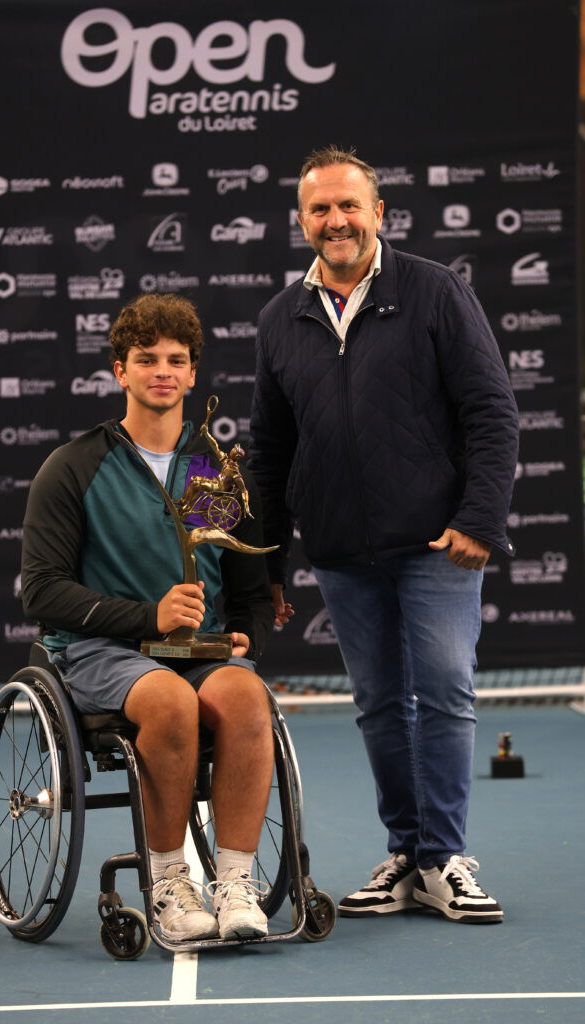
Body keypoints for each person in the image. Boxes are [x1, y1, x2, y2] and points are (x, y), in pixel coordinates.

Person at [249, 146, 520, 924]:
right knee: (376, 705)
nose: (335, 220)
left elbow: (491, 412)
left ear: (377, 213)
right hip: (340, 551)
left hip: (436, 544)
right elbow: (269, 451)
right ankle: (407, 853)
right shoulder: (279, 318)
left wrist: (477, 519)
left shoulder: (434, 290)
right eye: (320, 209)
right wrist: (267, 565)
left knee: (443, 694)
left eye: (348, 205)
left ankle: (443, 857)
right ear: (301, 221)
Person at [21, 293, 275, 942]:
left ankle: (235, 884)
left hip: (193, 652)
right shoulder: (75, 466)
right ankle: (168, 884)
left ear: (192, 375)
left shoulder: (213, 472)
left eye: (176, 360)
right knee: (168, 700)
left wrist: (246, 636)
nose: (162, 370)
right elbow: (42, 592)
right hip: (99, 651)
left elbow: (249, 592)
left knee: (248, 696)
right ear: (120, 371)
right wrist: (148, 616)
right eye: (146, 359)